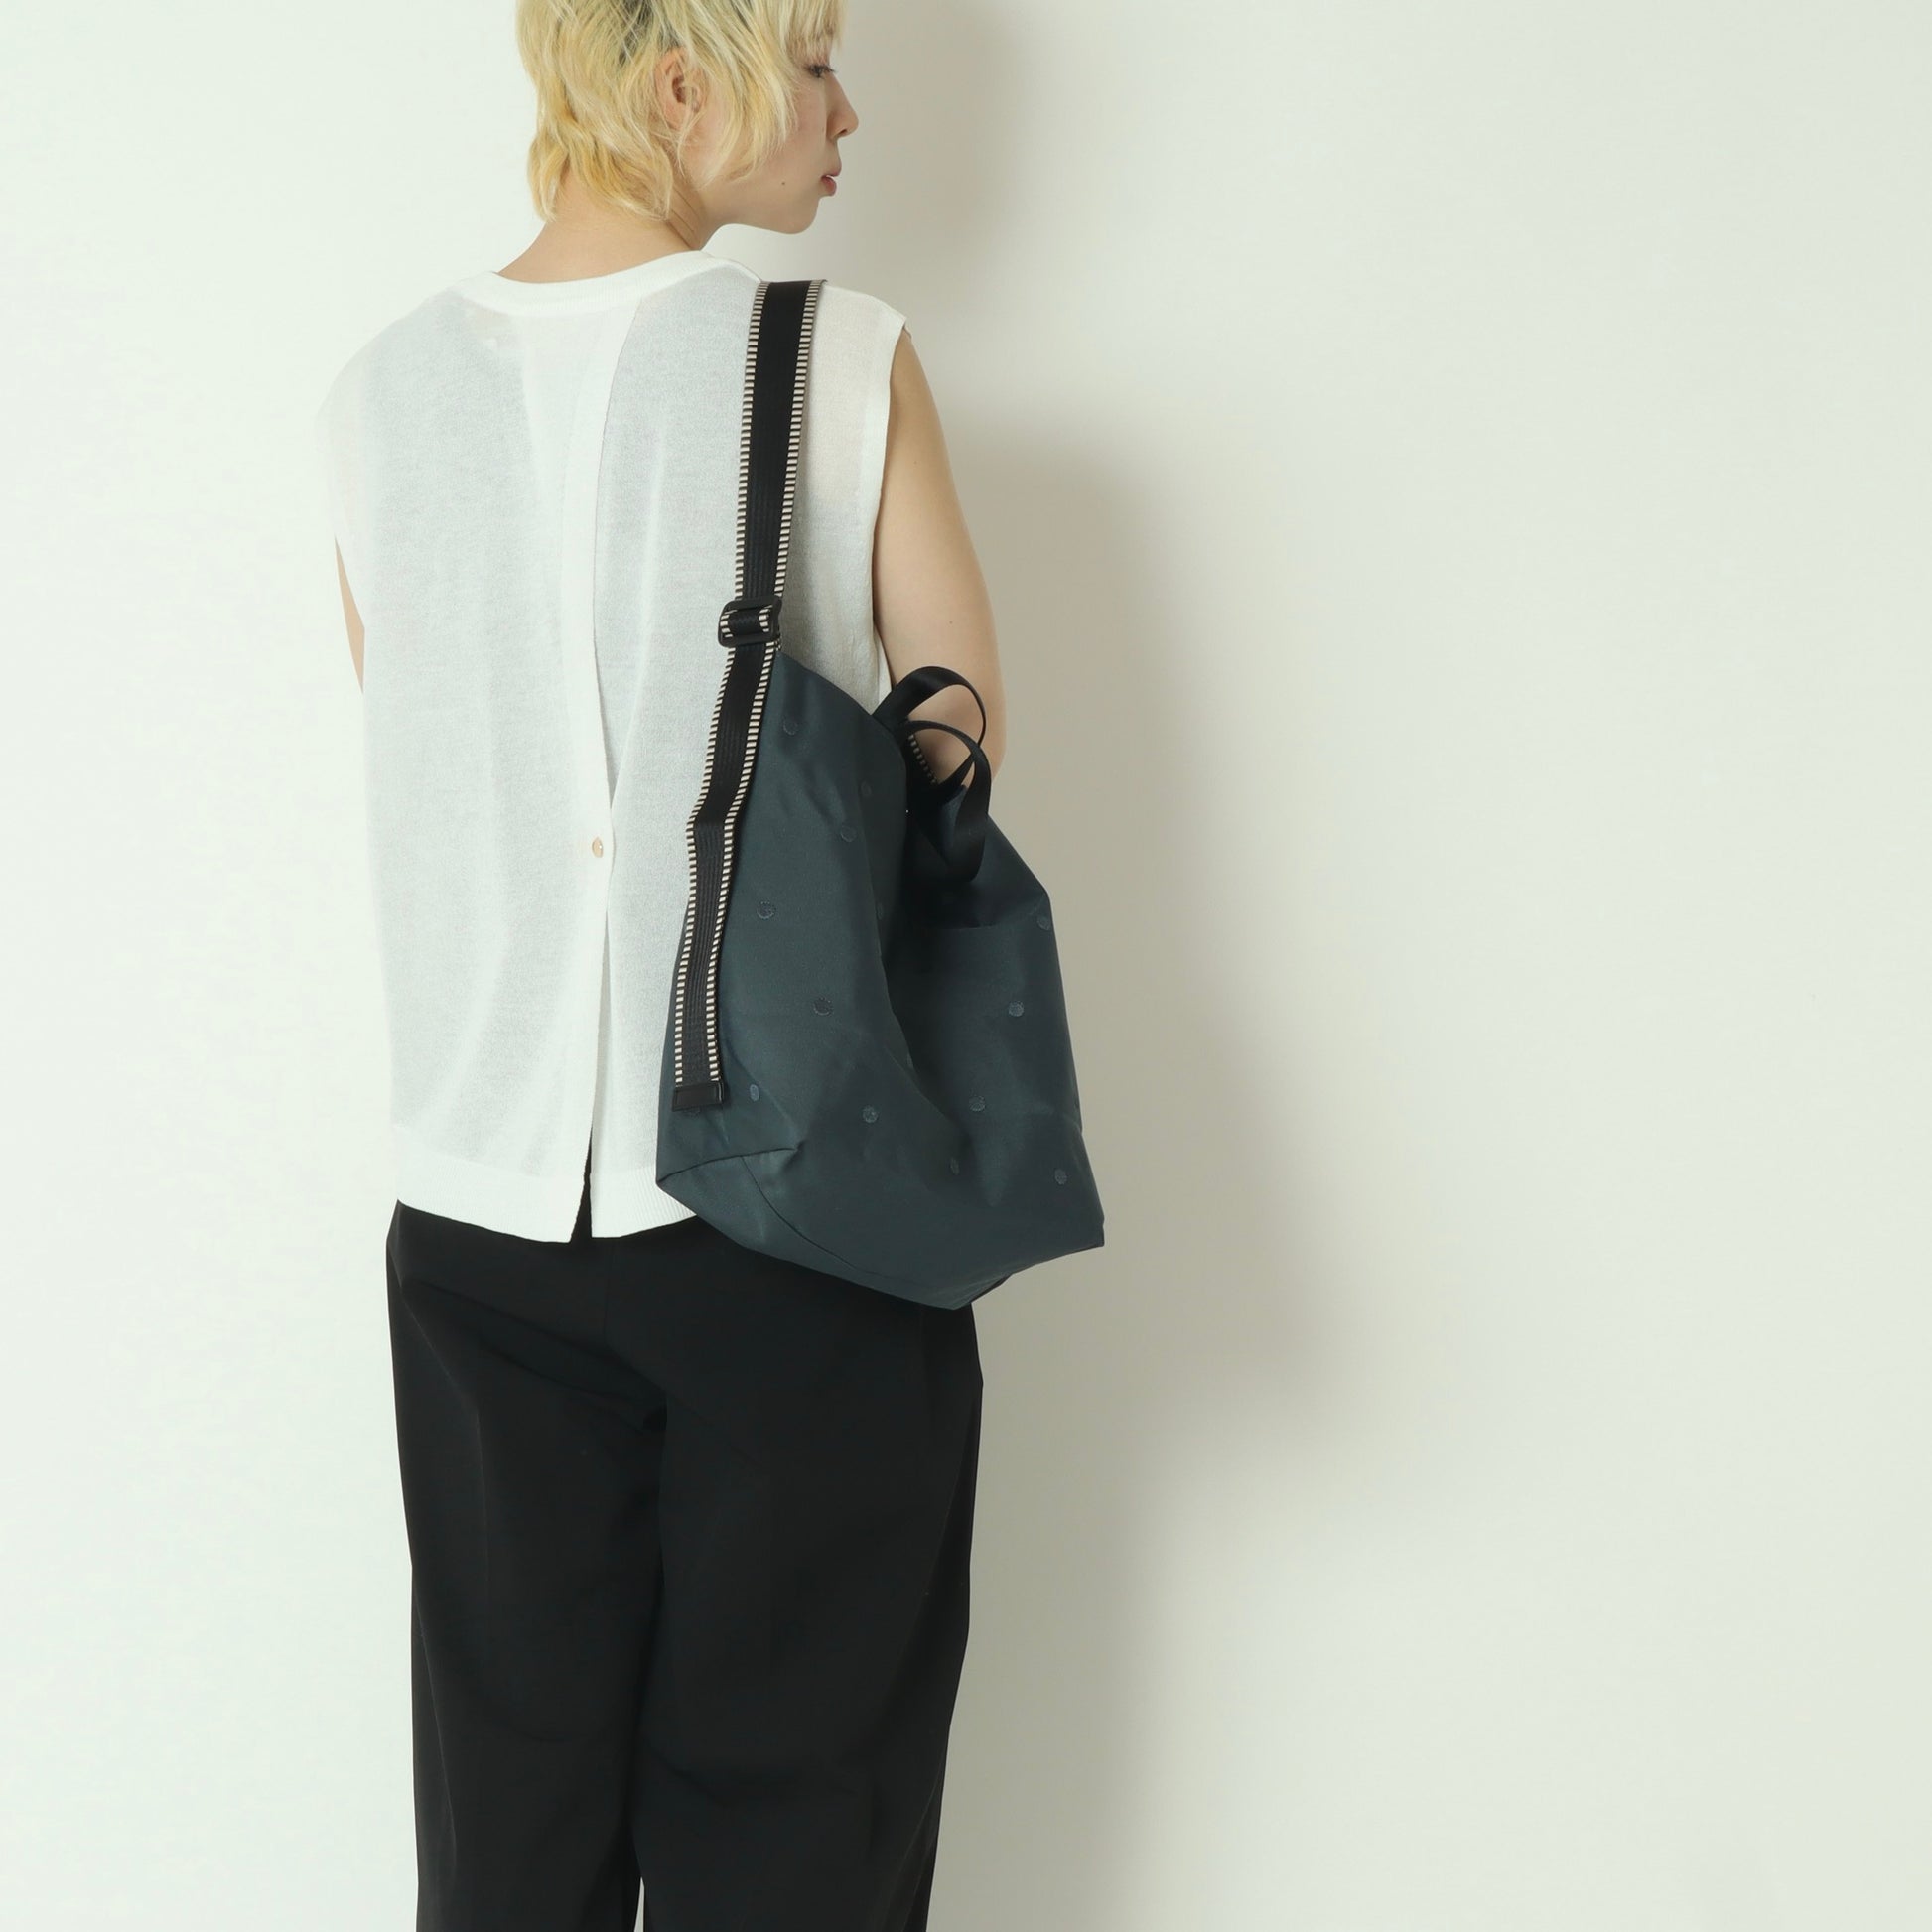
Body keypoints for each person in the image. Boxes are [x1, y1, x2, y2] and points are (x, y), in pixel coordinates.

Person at [311, 4, 1007, 1927]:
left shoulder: (375, 396)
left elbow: (432, 759)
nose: (849, 111)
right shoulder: (837, 354)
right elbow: (957, 744)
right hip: (790, 1200)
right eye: (814, 59)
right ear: (684, 88)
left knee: (509, 1818)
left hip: (477, 1209)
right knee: (801, 1816)